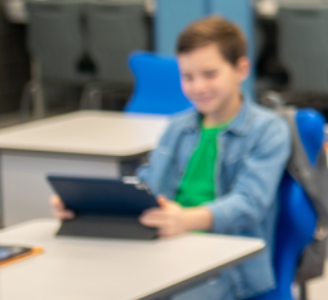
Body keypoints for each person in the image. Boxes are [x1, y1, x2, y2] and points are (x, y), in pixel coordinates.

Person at [52, 16, 291, 300]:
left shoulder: (268, 130)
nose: (198, 87)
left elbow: (249, 204)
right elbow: (148, 183)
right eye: (188, 77)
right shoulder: (177, 128)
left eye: (210, 74)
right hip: (166, 247)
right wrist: (90, 204)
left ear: (241, 69)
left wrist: (187, 220)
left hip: (228, 264)